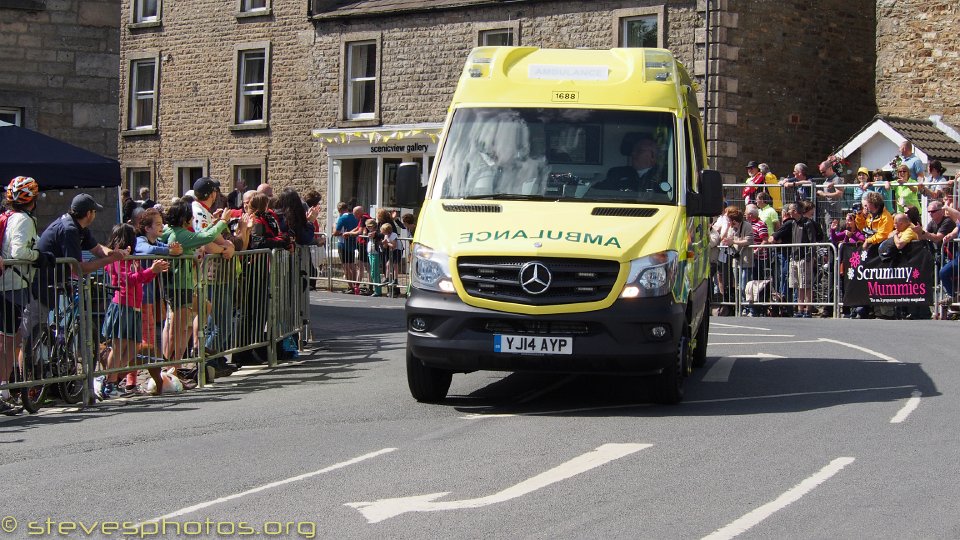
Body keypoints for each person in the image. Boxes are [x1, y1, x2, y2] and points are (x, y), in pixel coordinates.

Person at [24, 194, 126, 395]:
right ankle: (29, 386)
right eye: (94, 211)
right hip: (42, 285)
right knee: (32, 336)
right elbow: (79, 268)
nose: (95, 214)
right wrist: (110, 260)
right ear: (89, 213)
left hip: (56, 283)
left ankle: (53, 379)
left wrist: (115, 253)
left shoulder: (79, 227)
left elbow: (97, 249)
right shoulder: (69, 230)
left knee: (49, 330)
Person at [97, 224, 169, 399]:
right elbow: (127, 279)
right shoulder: (117, 258)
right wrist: (151, 270)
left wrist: (153, 271)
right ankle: (109, 382)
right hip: (121, 305)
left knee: (132, 348)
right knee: (119, 346)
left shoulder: (131, 258)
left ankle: (112, 379)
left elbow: (140, 279)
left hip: (134, 306)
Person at [160, 200, 230, 374]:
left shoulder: (175, 231)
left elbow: (200, 235)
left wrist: (212, 225)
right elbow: (203, 238)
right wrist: (223, 222)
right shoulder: (180, 234)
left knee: (203, 308)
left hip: (183, 286)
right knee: (177, 329)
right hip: (179, 286)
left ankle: (184, 357)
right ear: (185, 219)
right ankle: (171, 367)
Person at [0, 177, 44, 415]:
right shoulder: (24, 221)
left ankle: (5, 391)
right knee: (8, 342)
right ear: (33, 200)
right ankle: (2, 392)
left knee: (8, 339)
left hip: (7, 283)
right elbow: (19, 252)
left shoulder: (8, 217)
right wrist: (38, 255)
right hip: (13, 285)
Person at [133, 207, 182, 394]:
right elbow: (146, 250)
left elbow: (172, 249)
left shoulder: (159, 241)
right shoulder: (140, 241)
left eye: (162, 223)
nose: (162, 227)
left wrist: (173, 250)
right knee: (145, 341)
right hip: (143, 297)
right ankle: (132, 380)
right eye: (158, 224)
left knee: (153, 338)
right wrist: (169, 251)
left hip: (156, 296)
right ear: (147, 228)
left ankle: (151, 377)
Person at [588, 135, 665, 196]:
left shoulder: (663, 176)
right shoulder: (618, 173)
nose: (633, 153)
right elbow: (596, 191)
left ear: (653, 156)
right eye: (633, 150)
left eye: (639, 150)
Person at [333, 202, 360, 294]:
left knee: (346, 266)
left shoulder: (342, 218)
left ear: (339, 210)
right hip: (353, 243)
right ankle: (355, 285)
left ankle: (350, 286)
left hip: (343, 243)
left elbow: (336, 232)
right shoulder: (354, 217)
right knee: (352, 265)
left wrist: (336, 230)